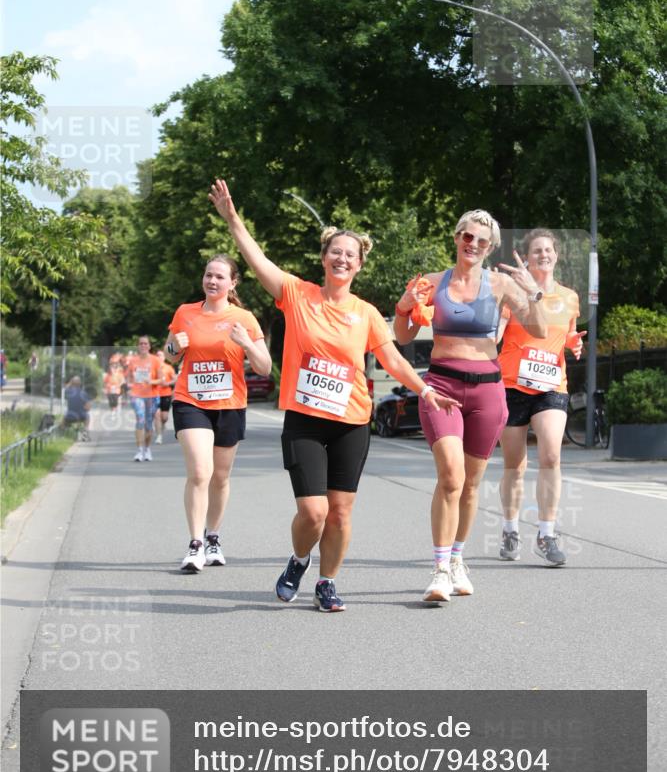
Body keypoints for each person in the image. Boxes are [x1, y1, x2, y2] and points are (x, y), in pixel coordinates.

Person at [209, 177, 460, 612]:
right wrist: (232, 220)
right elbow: (257, 260)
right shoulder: (296, 294)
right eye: (336, 252)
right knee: (314, 513)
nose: (342, 259)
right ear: (324, 258)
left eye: (351, 255)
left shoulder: (364, 314)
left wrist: (426, 390)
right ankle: (299, 559)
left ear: (359, 265)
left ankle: (327, 582)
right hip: (305, 420)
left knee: (341, 513)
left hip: (352, 423)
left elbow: (395, 361)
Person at [394, 209, 548, 605]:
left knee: (472, 484)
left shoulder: (499, 285)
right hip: (441, 385)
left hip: (487, 390)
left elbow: (540, 330)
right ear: (457, 236)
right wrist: (404, 306)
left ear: (490, 246)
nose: (473, 245)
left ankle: (459, 558)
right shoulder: (431, 282)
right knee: (450, 476)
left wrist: (532, 290)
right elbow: (403, 333)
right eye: (468, 236)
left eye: (482, 241)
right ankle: (440, 568)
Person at [165, 254, 271, 573]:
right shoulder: (185, 313)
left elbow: (265, 368)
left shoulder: (244, 319)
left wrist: (247, 344)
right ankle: (195, 544)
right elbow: (169, 357)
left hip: (229, 405)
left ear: (232, 283)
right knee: (200, 472)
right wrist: (174, 346)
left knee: (221, 478)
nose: (212, 281)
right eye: (208, 275)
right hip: (191, 401)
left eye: (219, 277)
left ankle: (213, 537)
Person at [497, 228, 585, 567]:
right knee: (515, 466)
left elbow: (565, 336)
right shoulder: (513, 295)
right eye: (537, 251)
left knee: (550, 456)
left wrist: (574, 344)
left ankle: (546, 533)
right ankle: (509, 528)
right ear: (527, 258)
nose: (543, 255)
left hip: (551, 385)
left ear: (556, 256)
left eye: (548, 250)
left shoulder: (569, 297)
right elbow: (498, 333)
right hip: (512, 385)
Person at [126, 337, 161, 462]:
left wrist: (151, 381)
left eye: (145, 343)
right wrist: (129, 387)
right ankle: (139, 450)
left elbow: (162, 379)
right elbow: (128, 378)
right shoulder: (133, 361)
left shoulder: (156, 361)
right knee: (140, 420)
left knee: (148, 424)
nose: (143, 345)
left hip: (152, 395)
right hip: (137, 395)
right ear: (137, 346)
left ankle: (147, 448)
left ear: (149, 346)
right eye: (141, 343)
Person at [153, 350, 176, 445]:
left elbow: (175, 379)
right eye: (157, 355)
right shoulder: (152, 368)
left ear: (164, 357)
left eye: (161, 355)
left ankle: (162, 425)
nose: (159, 357)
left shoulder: (168, 368)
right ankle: (159, 436)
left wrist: (167, 383)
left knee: (164, 417)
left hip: (166, 394)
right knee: (157, 415)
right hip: (154, 394)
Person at [63, 375, 91, 440]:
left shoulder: (68, 392)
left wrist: (71, 382)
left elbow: (65, 387)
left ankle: (62, 434)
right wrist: (83, 409)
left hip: (70, 416)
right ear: (80, 384)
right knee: (88, 416)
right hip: (81, 416)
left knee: (64, 417)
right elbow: (88, 408)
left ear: (72, 383)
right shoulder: (84, 393)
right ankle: (85, 432)